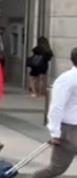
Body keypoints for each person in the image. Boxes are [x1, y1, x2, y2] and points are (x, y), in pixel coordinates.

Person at [33, 47, 77, 178]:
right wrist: (55, 132)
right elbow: (56, 107)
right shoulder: (67, 79)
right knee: (56, 169)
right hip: (70, 131)